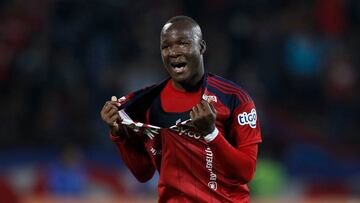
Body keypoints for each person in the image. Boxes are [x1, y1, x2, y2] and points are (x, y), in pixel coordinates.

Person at [100, 15, 262, 203]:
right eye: (166, 46)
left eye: (183, 43)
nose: (173, 52)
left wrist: (211, 134)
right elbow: (143, 173)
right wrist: (118, 134)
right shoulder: (146, 102)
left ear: (201, 47)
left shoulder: (234, 99)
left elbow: (246, 172)